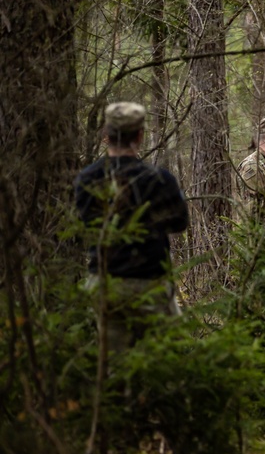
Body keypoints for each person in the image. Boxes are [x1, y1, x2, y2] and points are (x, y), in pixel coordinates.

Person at [74, 102, 189, 353]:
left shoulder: (87, 178)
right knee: (166, 358)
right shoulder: (158, 179)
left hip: (104, 281)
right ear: (139, 135)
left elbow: (83, 226)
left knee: (114, 361)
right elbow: (179, 222)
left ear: (106, 134)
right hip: (149, 282)